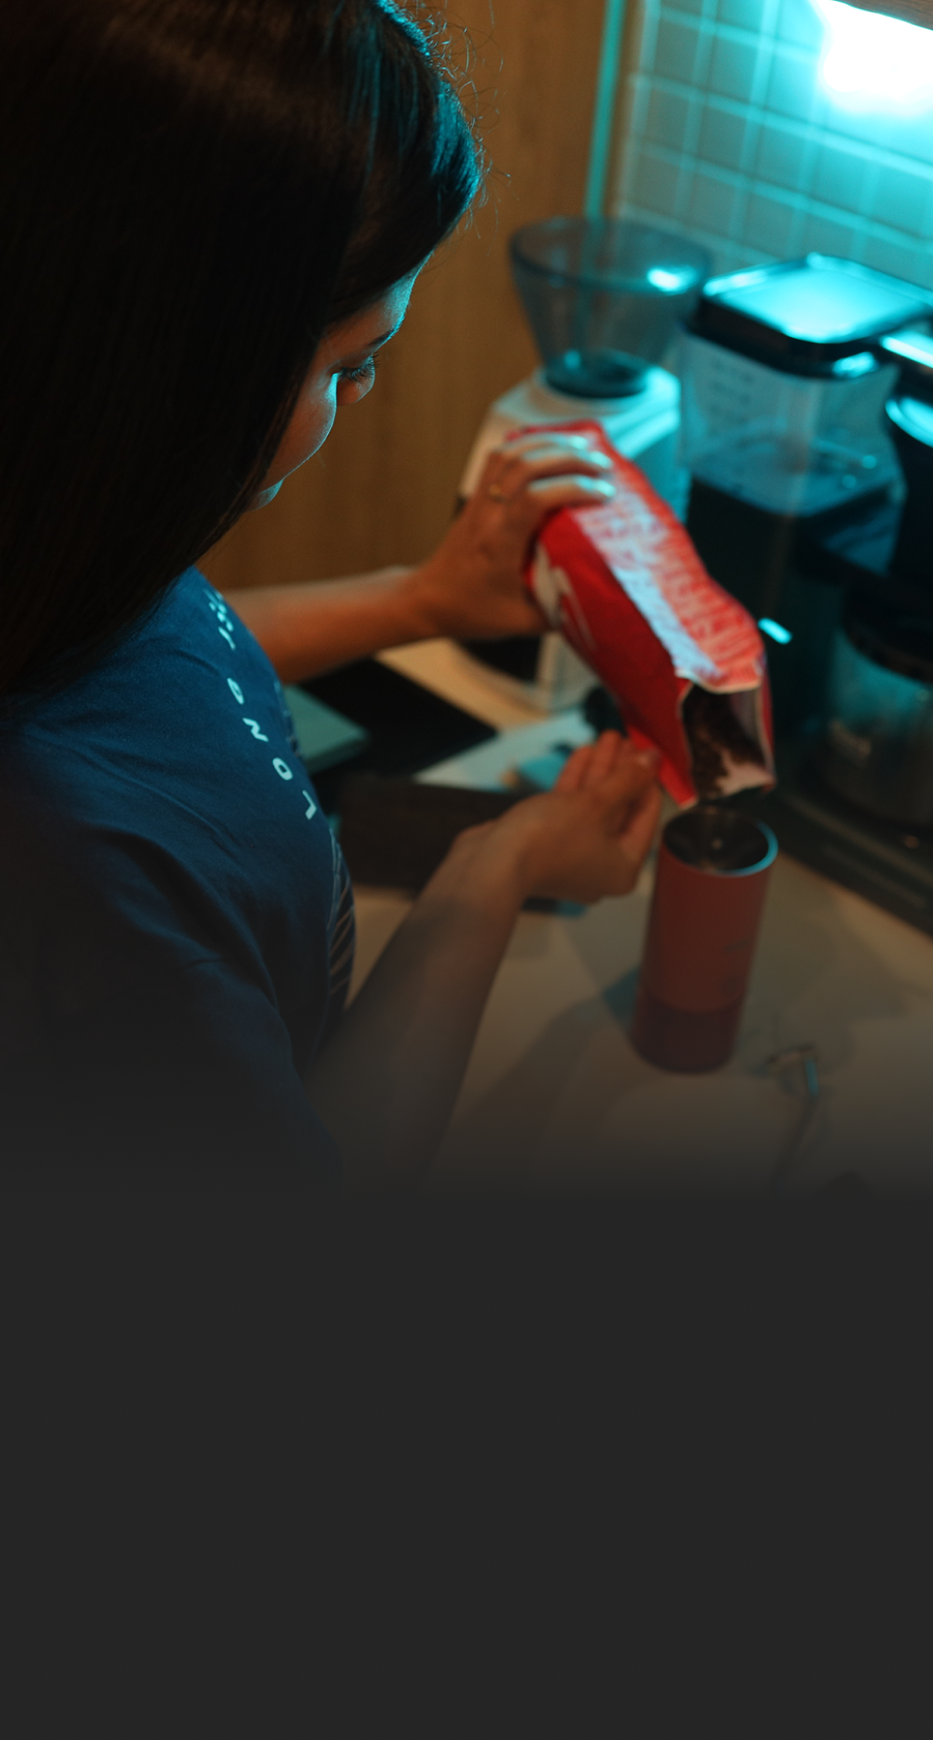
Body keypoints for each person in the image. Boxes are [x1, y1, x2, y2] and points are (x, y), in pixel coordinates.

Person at [0, 0, 662, 1190]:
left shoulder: (54, 546)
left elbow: (135, 671)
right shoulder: (82, 893)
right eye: (348, 363)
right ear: (178, 363)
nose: (358, 401)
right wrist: (493, 867)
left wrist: (425, 598)